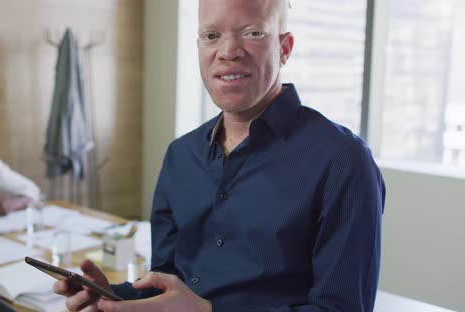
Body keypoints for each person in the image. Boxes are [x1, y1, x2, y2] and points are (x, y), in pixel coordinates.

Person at [54, 0, 386, 311]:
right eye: (212, 35)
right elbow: (168, 286)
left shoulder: (344, 162)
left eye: (253, 33)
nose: (228, 52)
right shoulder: (180, 156)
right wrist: (114, 296)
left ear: (284, 49)